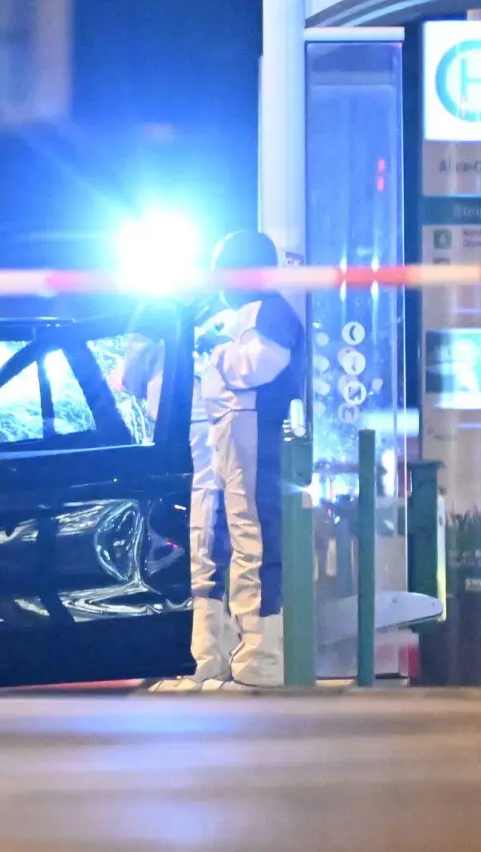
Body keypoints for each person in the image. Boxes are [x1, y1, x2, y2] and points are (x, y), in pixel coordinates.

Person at [199, 230, 306, 689]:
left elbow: (260, 364)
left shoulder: (270, 310)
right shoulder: (253, 310)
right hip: (238, 438)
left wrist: (216, 352)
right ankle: (246, 652)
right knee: (239, 540)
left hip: (256, 439)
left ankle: (262, 658)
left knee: (256, 544)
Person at [118, 295, 236, 693]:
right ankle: (209, 659)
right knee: (209, 562)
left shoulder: (205, 331)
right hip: (197, 469)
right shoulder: (169, 339)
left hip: (207, 468)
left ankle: (208, 661)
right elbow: (129, 379)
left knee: (212, 562)